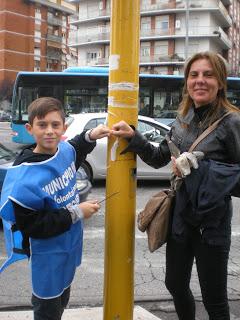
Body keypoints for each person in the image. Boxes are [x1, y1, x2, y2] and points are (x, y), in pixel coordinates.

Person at [110, 51, 240, 320]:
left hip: (212, 225)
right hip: (180, 218)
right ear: (187, 82)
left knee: (214, 300)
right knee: (175, 284)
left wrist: (200, 169)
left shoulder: (232, 122)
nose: (200, 80)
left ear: (221, 82)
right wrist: (134, 137)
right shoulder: (182, 120)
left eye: (208, 74)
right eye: (194, 75)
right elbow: (160, 158)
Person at [0, 97, 110, 320]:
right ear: (30, 129)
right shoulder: (25, 174)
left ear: (64, 128)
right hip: (46, 256)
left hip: (68, 247)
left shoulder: (62, 151)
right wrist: (78, 212)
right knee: (47, 309)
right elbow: (33, 225)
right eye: (42, 125)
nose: (49, 131)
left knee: (62, 300)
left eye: (55, 125)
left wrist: (90, 135)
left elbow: (75, 150)